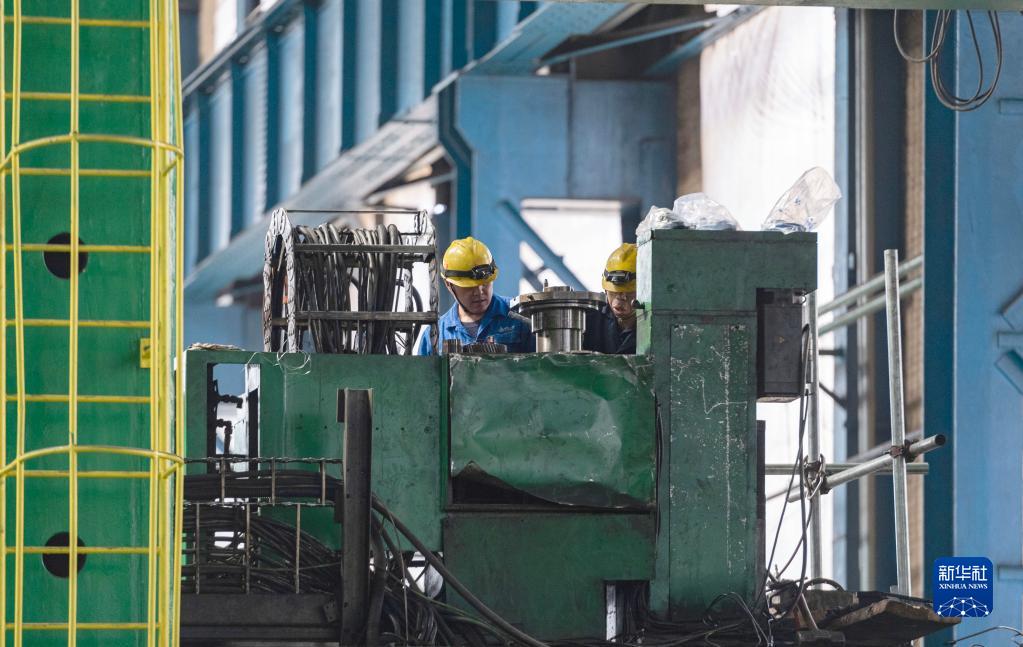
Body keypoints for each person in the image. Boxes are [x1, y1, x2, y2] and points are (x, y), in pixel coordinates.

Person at [415, 236, 533, 355]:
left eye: (485, 283)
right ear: (449, 285)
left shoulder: (521, 317)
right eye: (469, 287)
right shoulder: (435, 336)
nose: (479, 292)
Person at [583, 242, 637, 354]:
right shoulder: (588, 321)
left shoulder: (660, 324)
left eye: (628, 291)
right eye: (614, 291)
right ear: (605, 289)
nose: (621, 297)